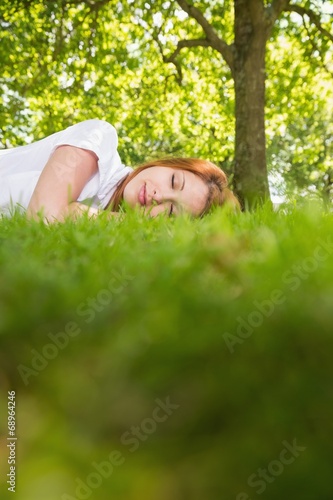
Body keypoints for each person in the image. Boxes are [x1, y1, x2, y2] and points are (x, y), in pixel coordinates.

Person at [0, 119, 239, 221]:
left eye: (171, 212)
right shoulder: (99, 140)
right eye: (174, 181)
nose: (160, 197)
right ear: (166, 163)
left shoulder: (104, 238)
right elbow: (42, 217)